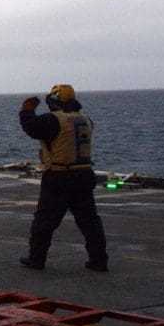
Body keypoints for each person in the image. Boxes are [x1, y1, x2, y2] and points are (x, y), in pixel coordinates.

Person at [18, 84, 108, 271]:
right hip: (84, 175)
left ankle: (37, 259)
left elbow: (33, 128)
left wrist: (26, 111)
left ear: (56, 100)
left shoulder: (54, 120)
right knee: (90, 222)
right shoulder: (85, 119)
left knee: (44, 222)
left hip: (59, 177)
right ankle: (99, 260)